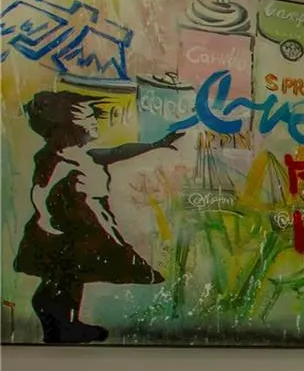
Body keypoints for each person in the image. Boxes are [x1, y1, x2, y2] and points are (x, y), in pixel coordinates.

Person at [13, 90, 183, 344]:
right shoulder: (59, 160)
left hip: (81, 224)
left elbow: (118, 151)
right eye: (87, 117)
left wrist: (156, 145)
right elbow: (42, 192)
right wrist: (47, 221)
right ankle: (56, 317)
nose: (94, 122)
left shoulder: (82, 155)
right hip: (68, 228)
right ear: (67, 125)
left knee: (73, 274)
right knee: (67, 273)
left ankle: (65, 323)